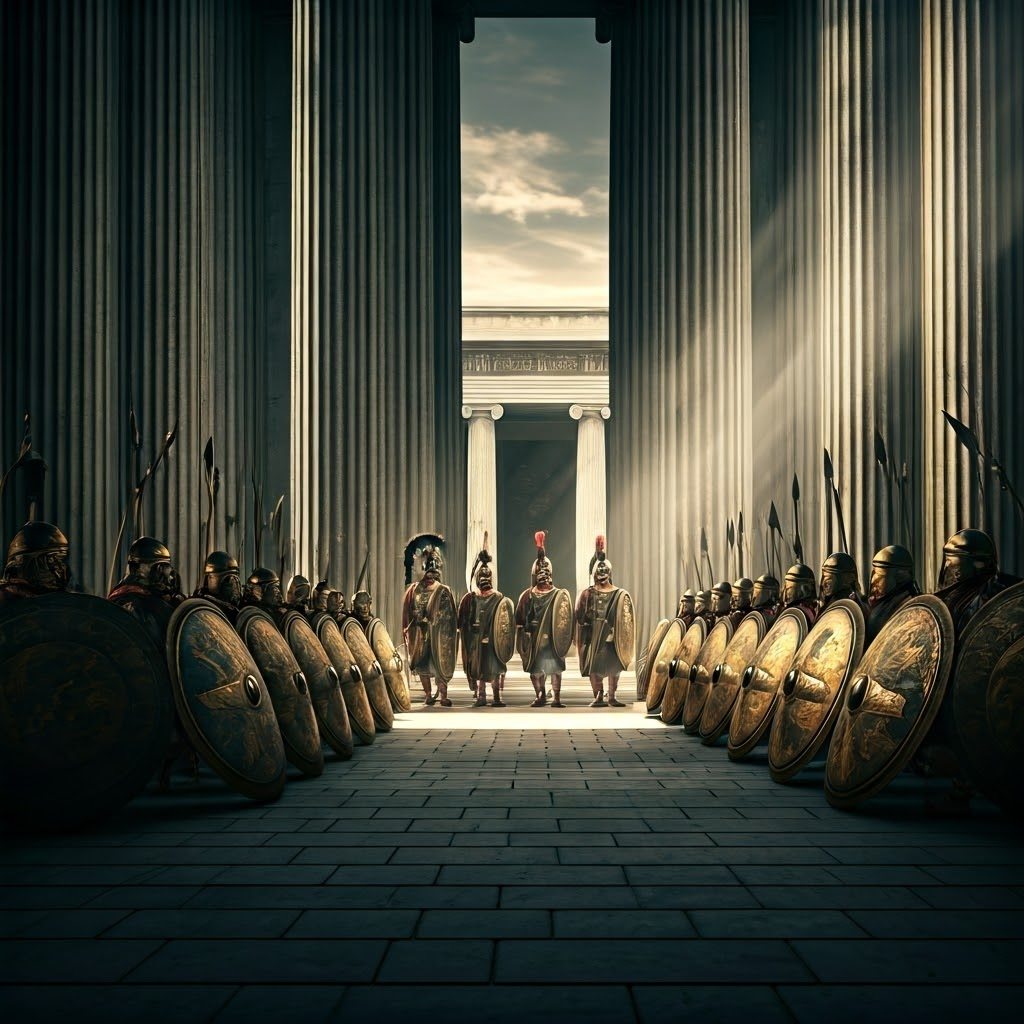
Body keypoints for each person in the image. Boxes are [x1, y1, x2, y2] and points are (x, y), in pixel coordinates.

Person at [575, 535, 633, 708]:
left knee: (614, 666)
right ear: (594, 574)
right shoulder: (588, 593)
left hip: (612, 636)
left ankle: (612, 696)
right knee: (595, 666)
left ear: (610, 573)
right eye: (598, 571)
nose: (602, 574)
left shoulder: (618, 594)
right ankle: (599, 696)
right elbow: (580, 616)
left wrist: (617, 632)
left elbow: (624, 617)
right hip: (594, 635)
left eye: (604, 571)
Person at [516, 531, 570, 708]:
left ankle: (556, 698)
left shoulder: (558, 595)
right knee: (535, 671)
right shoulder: (527, 596)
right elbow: (521, 620)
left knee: (555, 669)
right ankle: (540, 695)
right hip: (535, 640)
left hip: (553, 639)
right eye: (540, 571)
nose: (543, 573)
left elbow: (564, 618)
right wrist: (525, 632)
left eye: (546, 571)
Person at [459, 535, 510, 707]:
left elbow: (504, 622)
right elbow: (465, 620)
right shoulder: (472, 599)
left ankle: (496, 697)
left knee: (494, 668)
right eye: (482, 576)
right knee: (480, 670)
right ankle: (481, 696)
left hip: (493, 641)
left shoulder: (498, 598)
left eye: (487, 577)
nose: (485, 579)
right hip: (476, 640)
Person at [402, 541, 454, 707]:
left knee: (440, 664)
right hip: (420, 635)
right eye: (427, 571)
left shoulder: (443, 590)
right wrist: (416, 618)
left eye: (433, 572)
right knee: (423, 665)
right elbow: (409, 611)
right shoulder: (414, 590)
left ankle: (443, 696)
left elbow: (449, 615)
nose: (430, 575)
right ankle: (429, 694)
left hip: (438, 635)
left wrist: (434, 620)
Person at [0, 521, 70, 604]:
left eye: (61, 560)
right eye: (50, 560)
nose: (59, 567)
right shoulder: (6, 599)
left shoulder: (64, 600)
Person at [865, 545, 920, 643]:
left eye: (880, 576)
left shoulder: (911, 610)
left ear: (901, 576)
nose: (873, 580)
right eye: (873, 574)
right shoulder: (875, 602)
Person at [193, 550, 243, 623]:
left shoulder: (234, 609)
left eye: (235, 579)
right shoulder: (201, 607)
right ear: (210, 577)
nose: (234, 586)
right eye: (229, 581)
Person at [817, 552, 867, 616]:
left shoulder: (849, 607)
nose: (823, 584)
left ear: (848, 579)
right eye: (823, 578)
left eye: (828, 579)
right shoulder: (826, 605)